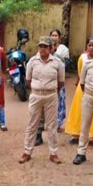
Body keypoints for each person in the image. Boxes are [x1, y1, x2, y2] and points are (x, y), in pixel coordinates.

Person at [19, 36, 64, 164]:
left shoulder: (57, 63)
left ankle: (53, 153)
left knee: (52, 126)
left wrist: (50, 91)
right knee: (32, 124)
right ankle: (27, 152)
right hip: (36, 95)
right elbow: (28, 81)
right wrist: (38, 89)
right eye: (40, 46)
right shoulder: (32, 61)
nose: (42, 49)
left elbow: (61, 82)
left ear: (51, 48)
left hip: (51, 96)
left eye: (45, 46)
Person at [65, 36, 93, 145]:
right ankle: (76, 134)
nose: (91, 48)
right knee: (79, 112)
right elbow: (80, 73)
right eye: (89, 45)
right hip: (83, 89)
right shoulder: (82, 58)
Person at [34, 30, 69, 146]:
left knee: (52, 115)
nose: (51, 48)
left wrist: (56, 90)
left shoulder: (59, 60)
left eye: (52, 46)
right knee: (39, 114)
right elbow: (30, 78)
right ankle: (38, 135)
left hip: (53, 91)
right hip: (39, 92)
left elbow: (61, 80)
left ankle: (52, 140)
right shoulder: (36, 59)